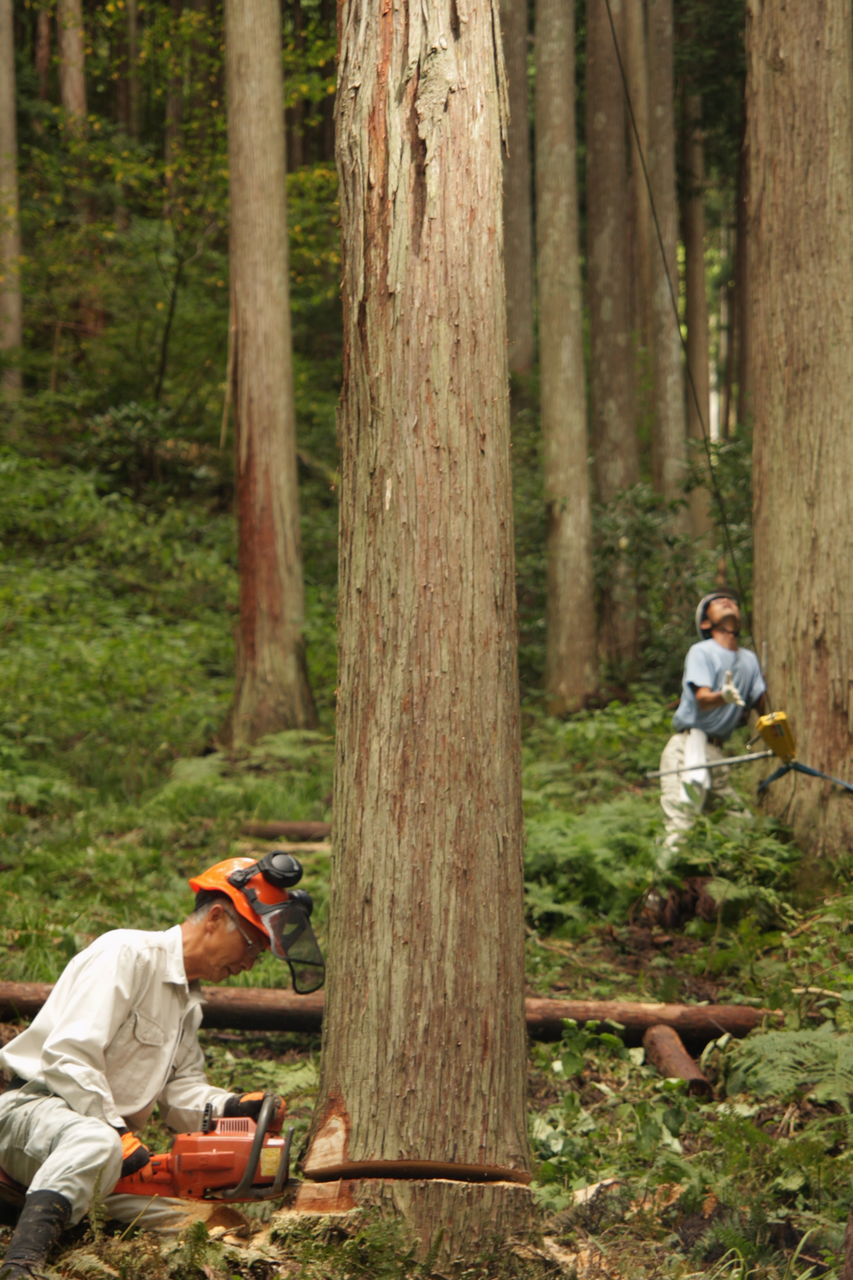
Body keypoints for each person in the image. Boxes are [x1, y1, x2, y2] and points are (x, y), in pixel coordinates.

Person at [0, 852, 324, 1280]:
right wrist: (115, 1131)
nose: (249, 963)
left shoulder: (188, 1003)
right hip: (34, 1114)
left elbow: (180, 1092)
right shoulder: (126, 953)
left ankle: (45, 1208)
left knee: (208, 1220)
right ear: (215, 918)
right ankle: (21, 1264)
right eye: (250, 944)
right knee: (95, 1142)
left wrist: (232, 1106)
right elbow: (69, 1055)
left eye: (259, 954)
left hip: (109, 1151)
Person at [658, 591, 767, 861]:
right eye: (716, 603)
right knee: (681, 824)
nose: (726, 602)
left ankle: (725, 879)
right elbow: (703, 699)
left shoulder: (749, 659)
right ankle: (659, 883)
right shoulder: (702, 651)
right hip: (688, 748)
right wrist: (724, 696)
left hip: (716, 754)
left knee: (740, 824)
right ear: (706, 623)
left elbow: (762, 706)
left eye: (731, 601)